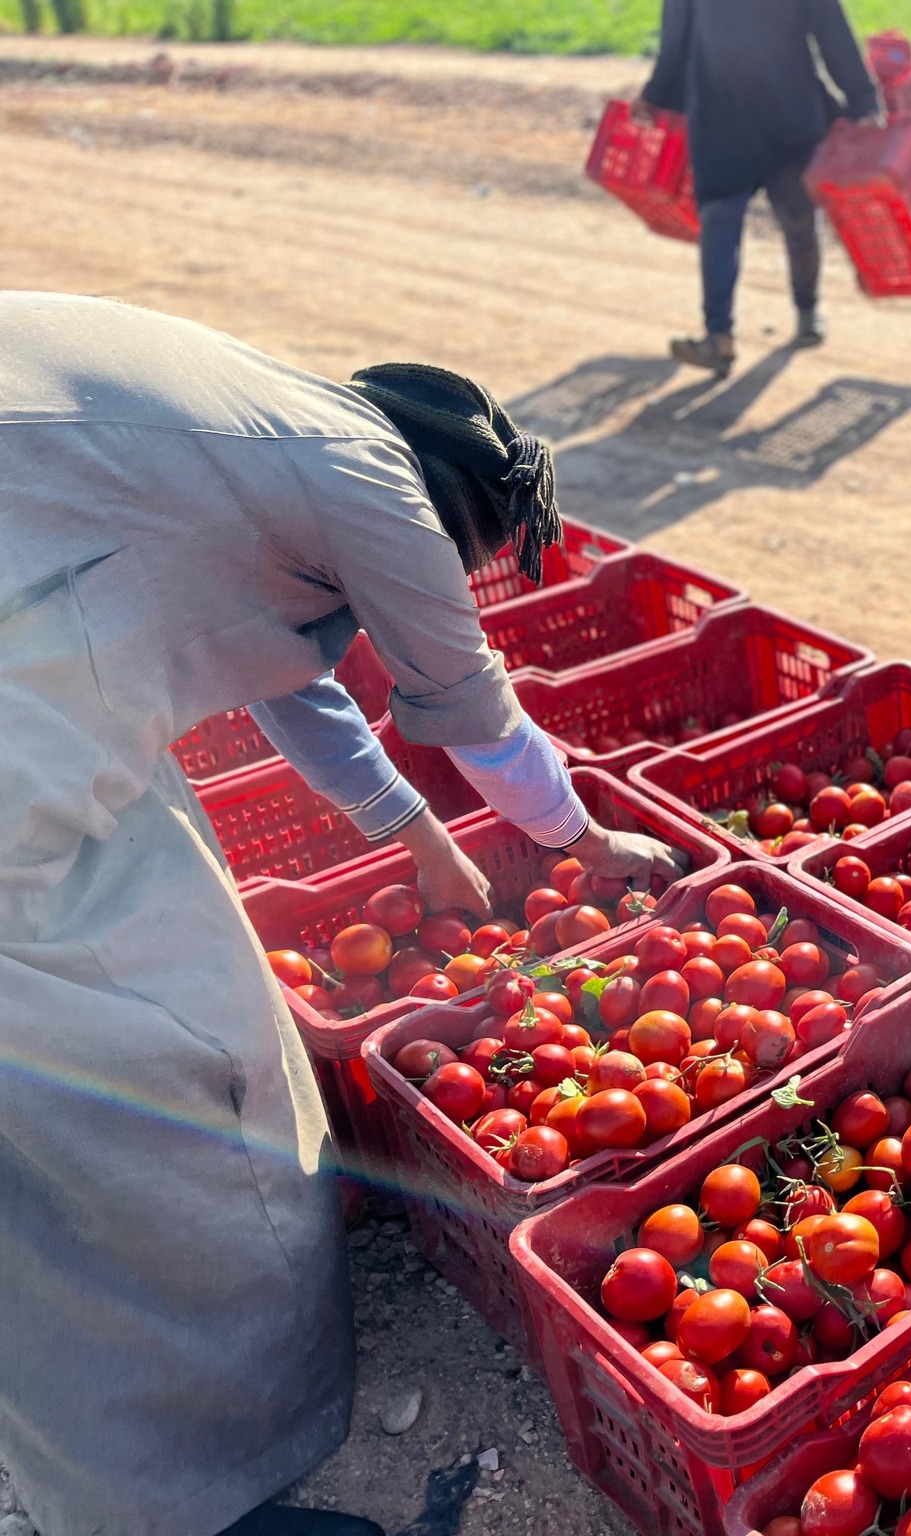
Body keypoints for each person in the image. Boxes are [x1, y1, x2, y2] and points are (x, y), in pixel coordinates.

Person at [0, 292, 680, 1536]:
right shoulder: (375, 487)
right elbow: (471, 702)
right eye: (474, 561)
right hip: (21, 751)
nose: (456, 580)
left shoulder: (271, 433)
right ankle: (187, 1482)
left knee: (102, 1075)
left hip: (41, 679)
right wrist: (579, 840)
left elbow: (281, 666)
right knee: (180, 1074)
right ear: (456, 512)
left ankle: (137, 1444)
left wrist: (411, 832)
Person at [640, 0, 880, 378]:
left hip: (725, 115)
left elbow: (677, 39)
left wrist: (656, 94)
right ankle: (805, 314)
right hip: (787, 112)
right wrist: (862, 98)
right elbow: (830, 27)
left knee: (722, 221)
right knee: (796, 218)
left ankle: (721, 335)